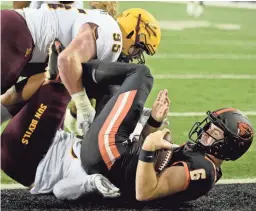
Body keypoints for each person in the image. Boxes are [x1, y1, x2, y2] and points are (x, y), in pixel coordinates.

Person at [1, 59, 154, 200]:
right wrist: (144, 120)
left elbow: (60, 190)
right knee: (108, 87)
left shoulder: (92, 170)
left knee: (57, 85)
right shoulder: (116, 155)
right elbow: (126, 135)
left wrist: (90, 182)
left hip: (25, 159)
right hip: (52, 138)